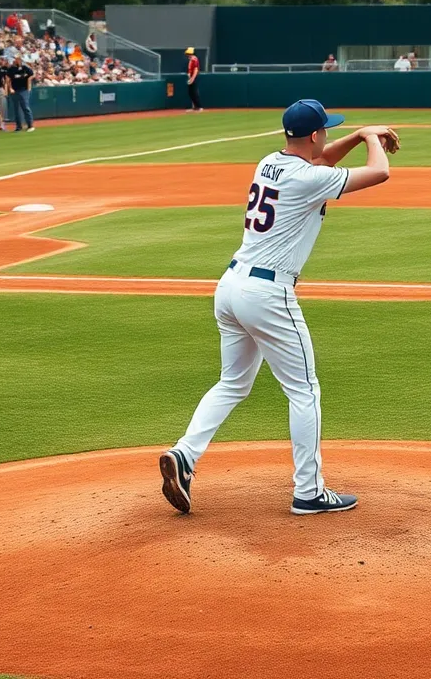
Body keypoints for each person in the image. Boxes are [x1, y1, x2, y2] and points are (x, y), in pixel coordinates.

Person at [158, 100, 399, 516]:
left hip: (231, 286)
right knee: (304, 390)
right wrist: (373, 137)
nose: (326, 135)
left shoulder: (270, 161)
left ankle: (184, 455)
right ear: (313, 135)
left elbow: (320, 158)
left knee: (232, 384)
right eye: (324, 129)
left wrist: (359, 136)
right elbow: (380, 172)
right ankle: (309, 491)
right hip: (267, 295)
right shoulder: (307, 178)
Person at [7, 55, 35, 132]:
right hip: (15, 90)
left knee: (25, 107)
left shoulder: (25, 68)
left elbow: (32, 75)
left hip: (24, 89)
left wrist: (29, 84)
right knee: (16, 109)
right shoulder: (11, 69)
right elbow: (8, 79)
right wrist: (10, 88)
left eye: (18, 59)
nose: (17, 60)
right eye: (16, 59)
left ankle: (30, 125)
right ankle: (18, 126)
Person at [185, 46, 203, 112]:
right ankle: (195, 107)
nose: (187, 55)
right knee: (191, 92)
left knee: (194, 92)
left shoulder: (194, 59)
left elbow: (196, 69)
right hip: (191, 77)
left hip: (194, 77)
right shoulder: (191, 60)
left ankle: (199, 107)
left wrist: (192, 78)